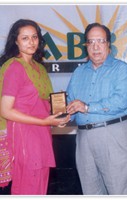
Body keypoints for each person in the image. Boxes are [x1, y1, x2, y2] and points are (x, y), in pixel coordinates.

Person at [66, 22, 127, 195]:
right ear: (86, 46)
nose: (95, 46)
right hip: (83, 137)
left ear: (108, 44)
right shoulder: (78, 73)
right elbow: (70, 102)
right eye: (91, 42)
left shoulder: (122, 70)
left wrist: (87, 107)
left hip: (113, 133)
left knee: (120, 190)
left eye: (100, 41)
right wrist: (65, 116)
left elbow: (120, 102)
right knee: (91, 190)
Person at [0, 19, 70, 195]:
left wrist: (56, 118)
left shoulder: (39, 68)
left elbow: (42, 105)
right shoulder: (15, 67)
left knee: (39, 186)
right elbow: (5, 110)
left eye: (34, 37)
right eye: (25, 38)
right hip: (24, 136)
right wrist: (43, 121)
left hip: (41, 134)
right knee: (27, 188)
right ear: (15, 41)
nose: (31, 42)